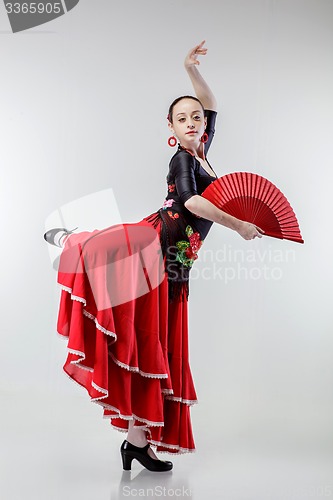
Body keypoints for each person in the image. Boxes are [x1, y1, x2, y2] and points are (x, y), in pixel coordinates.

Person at [44, 41, 264, 473]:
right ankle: (74, 242)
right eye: (182, 119)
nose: (191, 124)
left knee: (152, 351)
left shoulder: (205, 152)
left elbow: (212, 103)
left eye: (196, 118)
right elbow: (192, 203)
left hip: (176, 268)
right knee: (141, 335)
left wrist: (190, 71)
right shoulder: (182, 159)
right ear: (171, 126)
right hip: (153, 252)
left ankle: (136, 442)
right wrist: (237, 224)